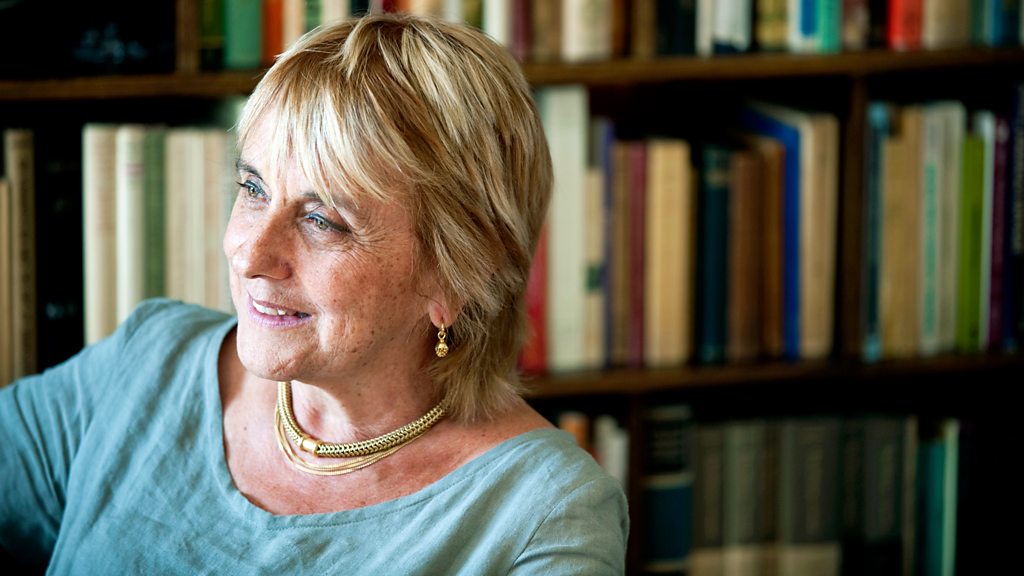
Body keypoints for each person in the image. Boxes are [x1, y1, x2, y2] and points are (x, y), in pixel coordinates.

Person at [0, 12, 628, 575]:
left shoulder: (544, 517)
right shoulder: (149, 360)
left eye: (322, 219)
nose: (249, 255)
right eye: (253, 189)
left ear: (459, 275)